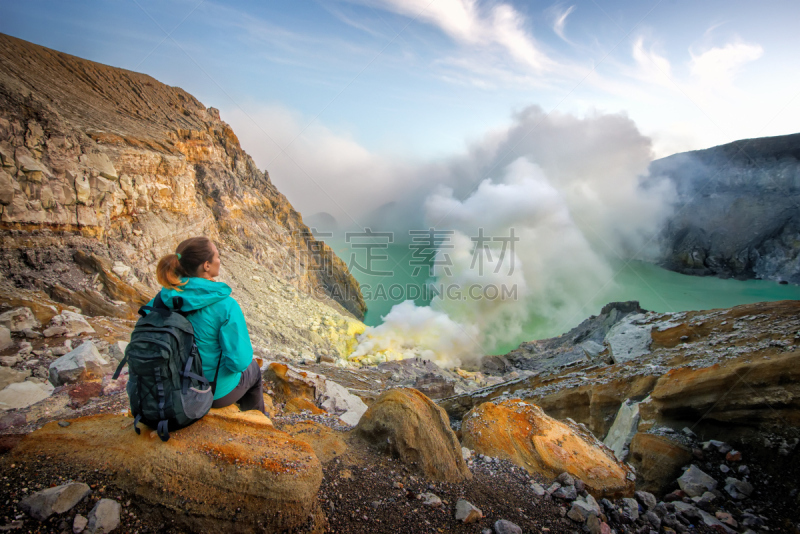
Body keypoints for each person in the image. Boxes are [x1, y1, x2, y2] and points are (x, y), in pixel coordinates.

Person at [152, 236, 265, 414]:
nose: (220, 261)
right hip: (209, 392)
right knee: (253, 369)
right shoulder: (226, 306)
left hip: (166, 386)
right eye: (217, 256)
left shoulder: (162, 299)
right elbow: (239, 362)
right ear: (206, 265)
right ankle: (257, 426)